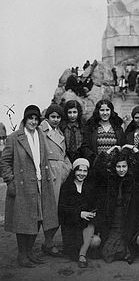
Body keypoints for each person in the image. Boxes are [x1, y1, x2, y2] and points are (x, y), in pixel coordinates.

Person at [0, 105, 58, 267]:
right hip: (23, 185)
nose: (33, 122)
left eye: (36, 119)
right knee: (23, 220)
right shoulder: (14, 138)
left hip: (41, 183)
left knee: (40, 218)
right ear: (24, 120)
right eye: (30, 119)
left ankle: (30, 251)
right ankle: (22, 254)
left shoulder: (40, 135)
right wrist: (10, 180)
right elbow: (4, 162)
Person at [93, 146, 139, 263]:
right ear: (114, 167)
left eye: (124, 166)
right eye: (118, 166)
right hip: (113, 219)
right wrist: (110, 151)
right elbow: (97, 167)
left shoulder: (133, 179)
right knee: (107, 253)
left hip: (128, 218)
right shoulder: (110, 178)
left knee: (127, 246)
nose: (121, 170)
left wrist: (132, 148)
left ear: (128, 167)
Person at [40, 104, 72, 256]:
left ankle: (49, 242)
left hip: (60, 174)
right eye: (53, 116)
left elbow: (64, 154)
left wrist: (67, 168)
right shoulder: (40, 131)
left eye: (58, 117)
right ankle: (45, 243)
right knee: (47, 211)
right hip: (47, 175)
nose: (56, 120)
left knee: (56, 210)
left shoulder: (59, 132)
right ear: (47, 117)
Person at [58, 158, 101, 268]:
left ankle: (82, 255)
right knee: (77, 248)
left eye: (85, 171)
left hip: (86, 226)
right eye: (79, 170)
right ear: (74, 171)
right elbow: (62, 210)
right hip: (71, 227)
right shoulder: (67, 187)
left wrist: (93, 213)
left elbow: (94, 205)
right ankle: (82, 251)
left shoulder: (89, 186)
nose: (82, 174)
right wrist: (79, 214)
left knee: (96, 241)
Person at [79, 99, 124, 165]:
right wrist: (95, 159)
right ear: (98, 111)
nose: (105, 113)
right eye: (102, 110)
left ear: (111, 111)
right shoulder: (91, 127)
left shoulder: (118, 128)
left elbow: (122, 146)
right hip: (97, 165)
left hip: (115, 165)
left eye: (107, 110)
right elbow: (85, 147)